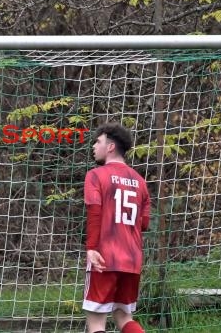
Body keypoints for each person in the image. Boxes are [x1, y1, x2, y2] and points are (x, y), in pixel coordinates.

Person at [82, 122, 150, 333]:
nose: (94, 146)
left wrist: (92, 248)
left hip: (105, 258)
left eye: (98, 141)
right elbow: (144, 223)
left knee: (96, 322)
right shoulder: (140, 181)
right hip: (132, 260)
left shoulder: (95, 175)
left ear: (110, 147)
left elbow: (95, 213)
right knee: (123, 316)